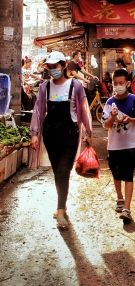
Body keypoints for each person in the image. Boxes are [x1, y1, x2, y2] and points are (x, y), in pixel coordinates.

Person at [29, 51, 92, 230]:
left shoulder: (76, 86)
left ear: (63, 65)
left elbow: (84, 109)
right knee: (57, 171)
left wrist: (88, 132)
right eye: (49, 67)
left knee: (64, 170)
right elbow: (39, 111)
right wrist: (34, 133)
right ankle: (61, 204)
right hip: (50, 134)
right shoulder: (44, 87)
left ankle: (61, 210)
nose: (52, 70)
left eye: (55, 66)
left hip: (70, 134)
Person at [101, 69, 135, 222]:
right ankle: (119, 197)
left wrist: (130, 119)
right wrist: (113, 117)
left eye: (121, 83)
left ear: (127, 84)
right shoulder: (109, 103)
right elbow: (105, 126)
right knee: (116, 173)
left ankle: (127, 208)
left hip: (131, 144)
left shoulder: (134, 100)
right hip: (114, 145)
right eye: (115, 83)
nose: (118, 86)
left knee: (128, 175)